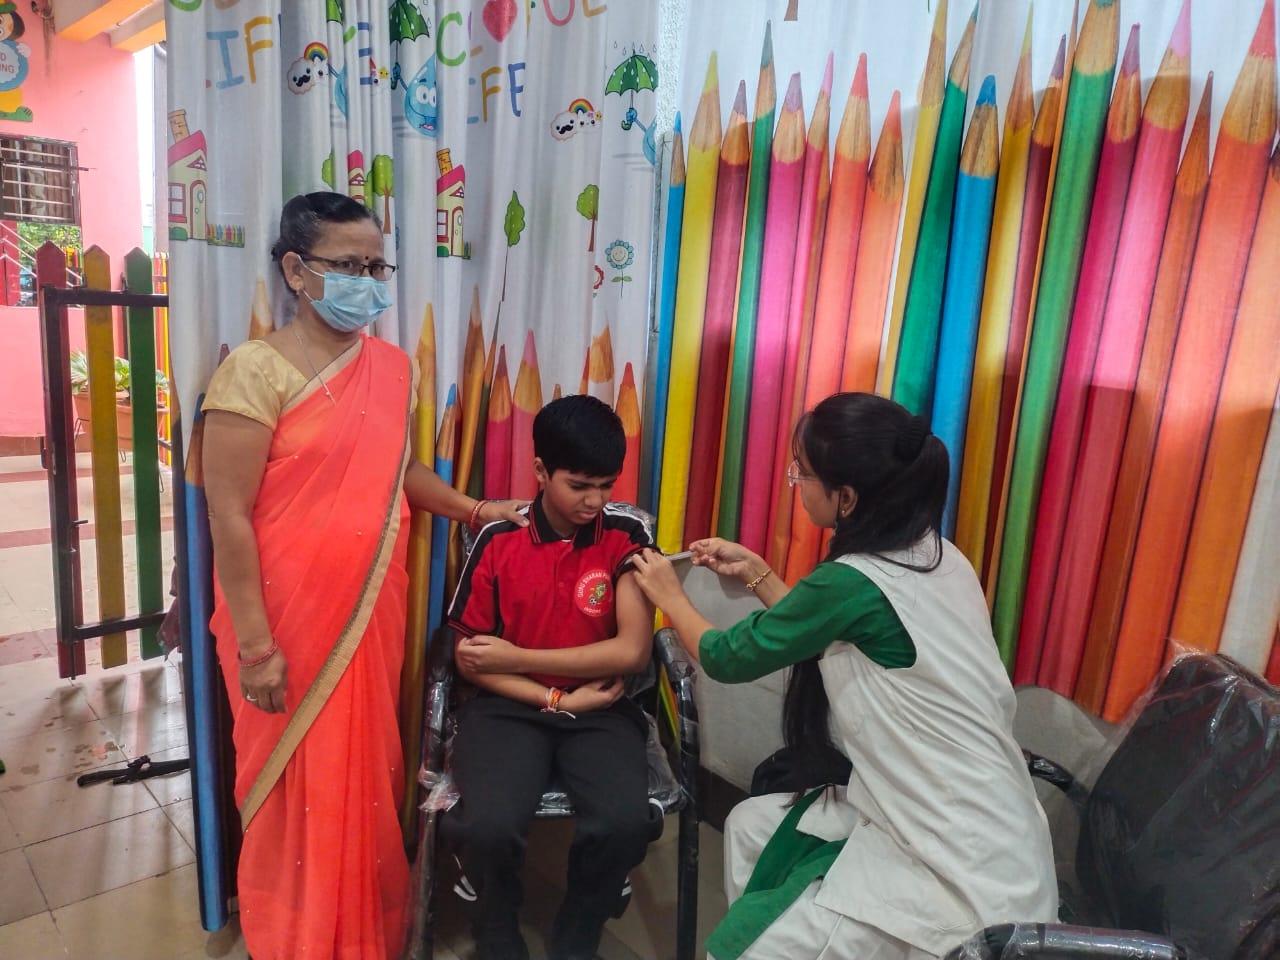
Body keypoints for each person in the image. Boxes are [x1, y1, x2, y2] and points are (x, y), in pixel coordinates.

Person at [201, 191, 525, 960]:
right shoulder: (253, 372)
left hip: (368, 611)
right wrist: (255, 645)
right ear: (295, 270)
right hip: (280, 619)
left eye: (377, 265)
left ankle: (359, 929)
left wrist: (473, 508)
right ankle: (297, 933)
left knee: (360, 770)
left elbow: (397, 471)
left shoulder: (391, 368)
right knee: (292, 784)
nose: (369, 280)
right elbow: (229, 516)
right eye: (349, 265)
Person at [630, 393, 1058, 960]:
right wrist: (759, 575)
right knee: (752, 824)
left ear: (847, 497)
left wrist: (669, 594)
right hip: (983, 820)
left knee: (734, 948)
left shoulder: (852, 581)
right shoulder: (938, 555)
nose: (796, 484)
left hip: (954, 861)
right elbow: (836, 636)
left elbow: (727, 656)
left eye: (801, 474)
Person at [443, 394, 661, 960]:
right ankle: (496, 926)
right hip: (508, 707)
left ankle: (580, 929)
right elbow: (471, 659)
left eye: (606, 485)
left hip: (603, 708)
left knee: (622, 822)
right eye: (579, 484)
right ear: (540, 471)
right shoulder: (499, 541)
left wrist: (513, 655)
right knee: (488, 825)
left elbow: (632, 651)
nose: (594, 501)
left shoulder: (625, 539)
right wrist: (555, 696)